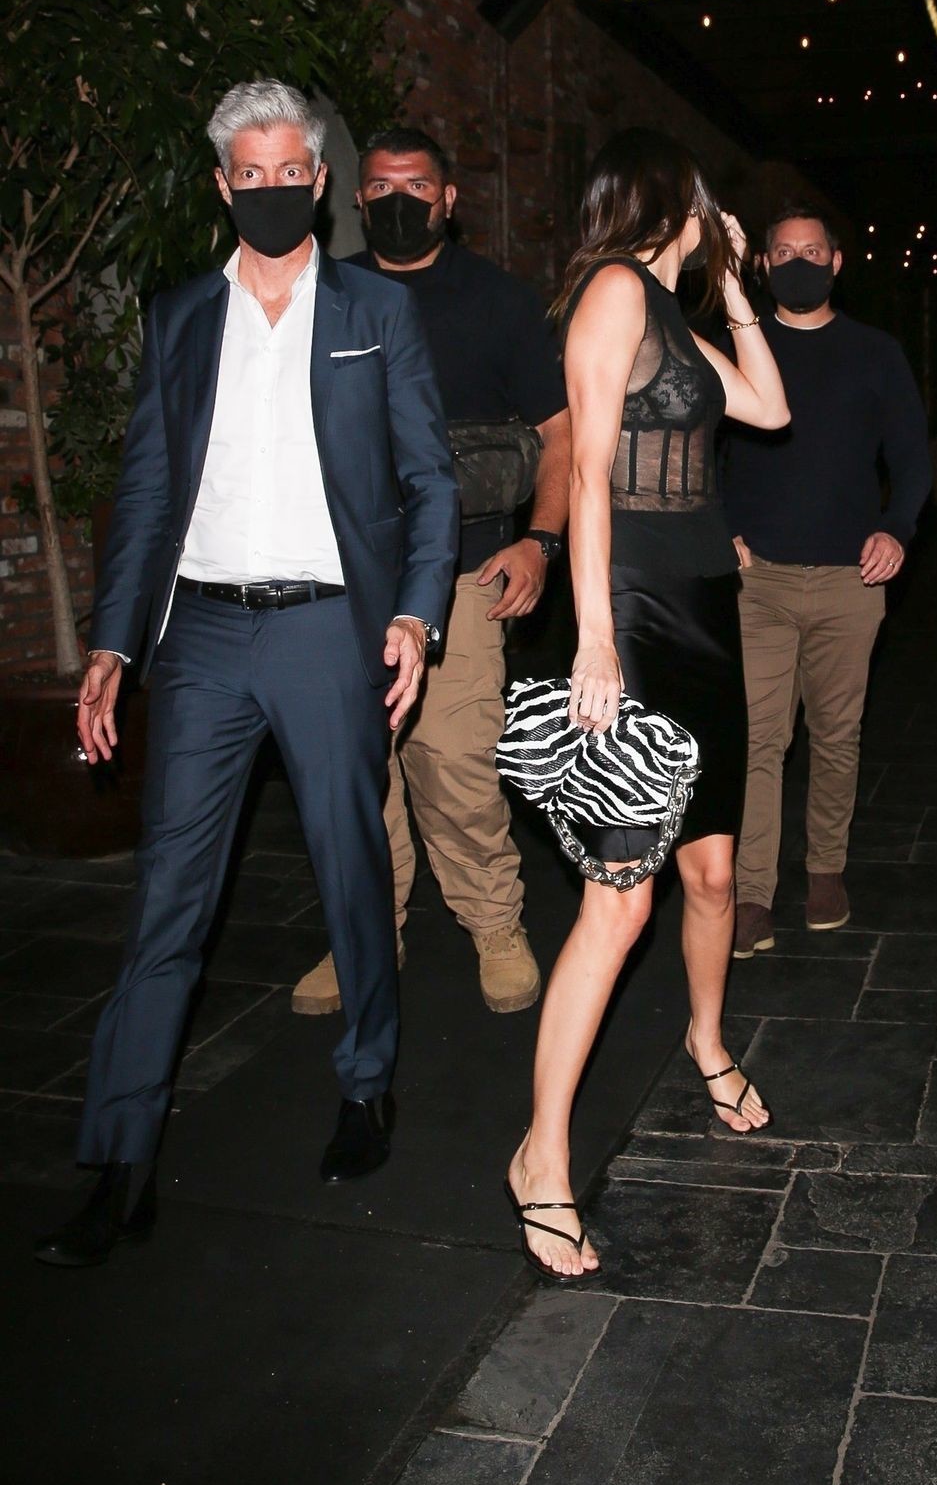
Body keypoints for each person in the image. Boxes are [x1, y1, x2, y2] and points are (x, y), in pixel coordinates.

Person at [34, 81, 459, 1268]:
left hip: (329, 630)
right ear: (223, 186)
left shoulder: (376, 309)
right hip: (204, 641)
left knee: (349, 867)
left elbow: (428, 480)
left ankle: (366, 1083)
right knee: (168, 898)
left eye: (290, 173)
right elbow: (146, 491)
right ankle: (121, 1160)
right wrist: (113, 644)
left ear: (319, 183)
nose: (272, 191)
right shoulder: (179, 316)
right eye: (250, 175)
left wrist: (416, 615)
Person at [505, 129, 789, 1281]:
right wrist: (594, 640)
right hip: (629, 615)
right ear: (673, 198)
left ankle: (706, 1039)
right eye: (706, 200)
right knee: (618, 905)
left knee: (711, 872)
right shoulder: (614, 290)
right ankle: (542, 1156)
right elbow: (585, 470)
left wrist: (736, 288)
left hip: (707, 613)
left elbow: (765, 406)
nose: (717, 212)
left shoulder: (674, 309)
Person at [289, 129, 569, 1018]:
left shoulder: (500, 302)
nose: (398, 201)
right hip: (339, 575)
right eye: (380, 187)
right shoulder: (320, 293)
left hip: (464, 568)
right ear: (354, 198)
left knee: (454, 762)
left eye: (417, 186)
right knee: (351, 771)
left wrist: (541, 541)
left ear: (449, 199)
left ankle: (494, 924)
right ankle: (366, 934)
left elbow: (560, 434)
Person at [722, 204, 931, 953]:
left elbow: (912, 458)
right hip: (758, 581)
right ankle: (752, 894)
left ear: (837, 262)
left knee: (837, 735)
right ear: (763, 264)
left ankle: (825, 872)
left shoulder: (875, 352)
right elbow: (697, 450)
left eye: (813, 251)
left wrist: (896, 529)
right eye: (784, 252)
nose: (799, 263)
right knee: (759, 739)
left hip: (851, 578)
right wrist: (720, 528)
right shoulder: (738, 346)